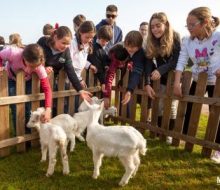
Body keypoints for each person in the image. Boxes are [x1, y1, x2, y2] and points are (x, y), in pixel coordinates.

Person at [173, 7, 220, 162]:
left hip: (216, 81)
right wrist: (177, 82)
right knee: (191, 109)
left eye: (192, 24)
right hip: (197, 79)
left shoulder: (218, 37)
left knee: (217, 113)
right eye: (187, 25)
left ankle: (217, 150)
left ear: (205, 22)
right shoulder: (187, 40)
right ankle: (188, 141)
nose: (189, 28)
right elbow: (182, 60)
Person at [144, 12, 181, 143]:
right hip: (161, 78)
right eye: (152, 27)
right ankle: (160, 131)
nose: (155, 29)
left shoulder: (175, 37)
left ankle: (169, 134)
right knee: (159, 105)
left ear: (165, 24)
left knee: (171, 106)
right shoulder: (151, 40)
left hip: (174, 77)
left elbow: (176, 60)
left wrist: (160, 70)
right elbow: (148, 62)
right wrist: (147, 83)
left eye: (158, 25)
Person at [0, 43, 52, 134]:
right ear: (24, 58)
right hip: (11, 78)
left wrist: (48, 109)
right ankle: (19, 132)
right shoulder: (13, 53)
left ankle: (27, 134)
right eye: (32, 66)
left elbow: (47, 88)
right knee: (15, 107)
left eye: (35, 66)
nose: (32, 69)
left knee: (28, 108)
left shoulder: (39, 67)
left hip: (28, 81)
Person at [37, 26, 92, 106]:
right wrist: (42, 68)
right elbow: (34, 57)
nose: (66, 46)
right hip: (36, 80)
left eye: (68, 44)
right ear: (55, 38)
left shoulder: (66, 52)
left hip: (51, 82)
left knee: (52, 105)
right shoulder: (43, 42)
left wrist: (80, 90)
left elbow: (70, 70)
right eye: (63, 43)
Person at [121, 31, 147, 105]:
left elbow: (137, 71)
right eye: (127, 46)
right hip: (139, 78)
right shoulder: (131, 52)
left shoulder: (140, 54)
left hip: (145, 78)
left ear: (139, 46)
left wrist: (129, 90)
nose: (129, 49)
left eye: (132, 47)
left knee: (145, 104)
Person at [103, 43, 130, 108]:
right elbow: (110, 76)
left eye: (123, 62)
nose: (121, 64)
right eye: (120, 62)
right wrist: (106, 96)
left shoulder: (129, 52)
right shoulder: (114, 58)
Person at [87, 25, 113, 93]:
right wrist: (103, 82)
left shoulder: (103, 49)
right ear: (98, 37)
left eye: (107, 41)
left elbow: (104, 60)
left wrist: (106, 64)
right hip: (91, 80)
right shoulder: (94, 49)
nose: (105, 43)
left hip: (98, 80)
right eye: (103, 40)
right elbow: (97, 66)